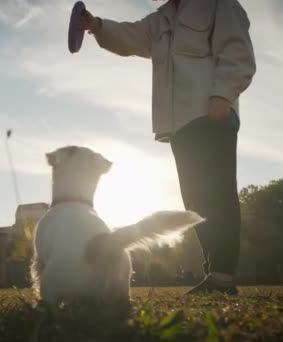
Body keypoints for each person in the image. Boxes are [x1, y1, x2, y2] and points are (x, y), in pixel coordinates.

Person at [79, 0, 256, 295]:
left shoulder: (218, 4)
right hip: (179, 124)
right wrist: (97, 26)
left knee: (218, 194)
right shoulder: (161, 19)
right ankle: (215, 274)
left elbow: (238, 51)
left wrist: (223, 95)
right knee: (195, 201)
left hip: (211, 114)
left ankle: (223, 277)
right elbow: (130, 36)